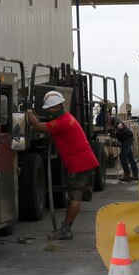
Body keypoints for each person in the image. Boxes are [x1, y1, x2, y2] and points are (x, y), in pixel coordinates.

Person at [26, 90, 100, 241]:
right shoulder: (66, 117)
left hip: (80, 163)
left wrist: (28, 110)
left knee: (74, 197)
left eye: (48, 108)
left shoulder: (61, 122)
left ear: (54, 107)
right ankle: (66, 226)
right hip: (84, 161)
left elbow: (37, 126)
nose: (46, 110)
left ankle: (66, 229)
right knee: (74, 197)